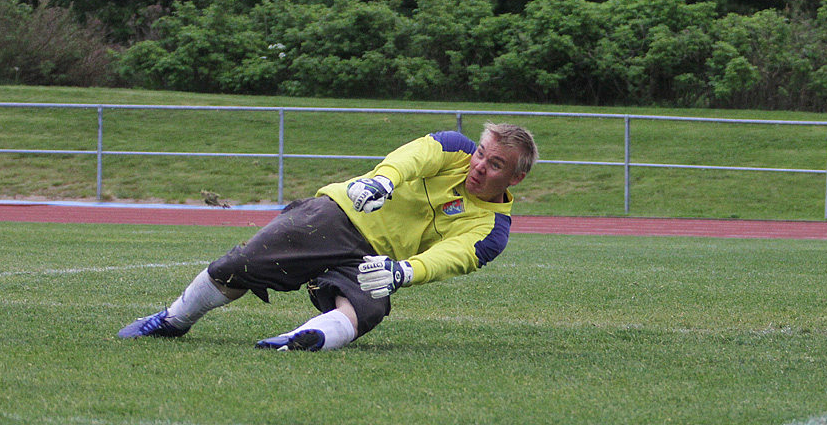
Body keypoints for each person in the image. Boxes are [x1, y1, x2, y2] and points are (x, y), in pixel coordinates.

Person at [118, 122, 539, 351]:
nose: (479, 165)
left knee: (369, 307)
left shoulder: (492, 230)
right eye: (483, 153)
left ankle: (306, 339)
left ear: (516, 177)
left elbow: (453, 255)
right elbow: (413, 157)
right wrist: (383, 181)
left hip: (376, 258)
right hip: (338, 215)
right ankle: (173, 320)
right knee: (239, 267)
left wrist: (403, 272)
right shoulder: (453, 148)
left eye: (496, 164)